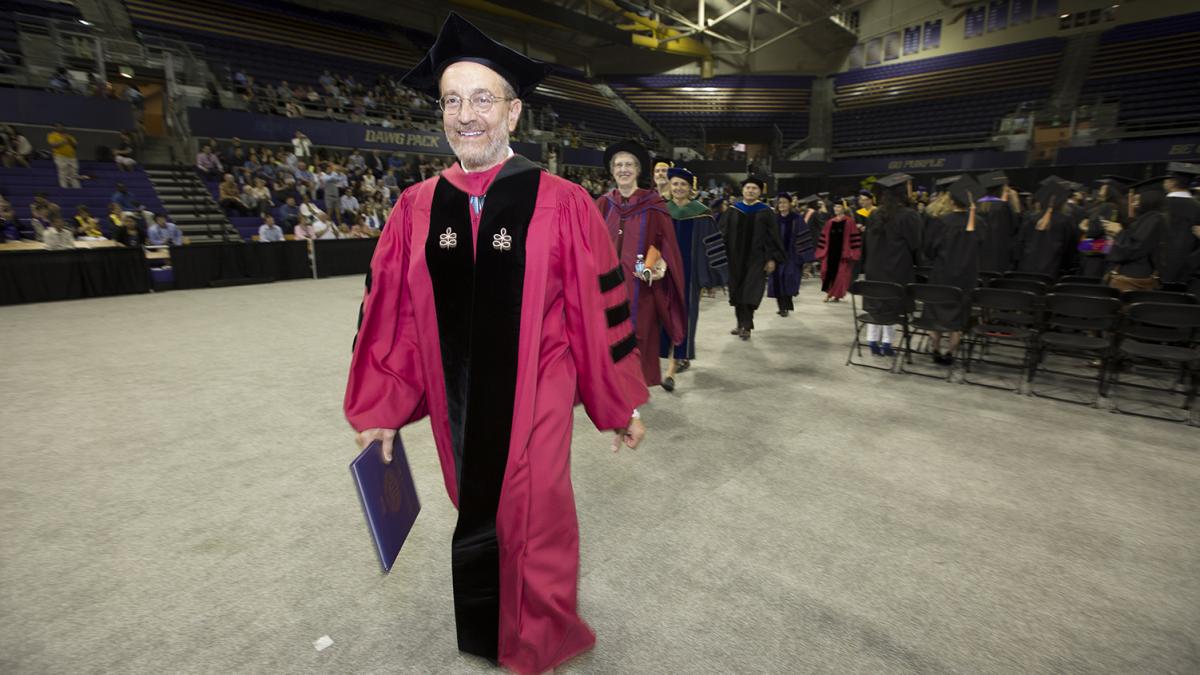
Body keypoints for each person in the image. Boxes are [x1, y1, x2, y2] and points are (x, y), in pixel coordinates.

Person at [344, 14, 648, 674]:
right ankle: (490, 625)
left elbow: (600, 313)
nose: (465, 115)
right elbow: (389, 316)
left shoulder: (563, 202)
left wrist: (618, 403)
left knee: (536, 521)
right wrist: (380, 411)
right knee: (478, 514)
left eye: (482, 98)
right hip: (458, 403)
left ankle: (540, 639)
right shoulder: (415, 208)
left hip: (537, 394)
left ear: (513, 110)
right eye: (452, 99)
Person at [596, 140, 687, 387]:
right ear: (612, 170)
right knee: (607, 338)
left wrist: (660, 264)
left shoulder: (654, 205)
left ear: (637, 170)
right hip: (606, 289)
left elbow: (667, 245)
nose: (623, 169)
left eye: (629, 165)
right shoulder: (604, 204)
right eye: (618, 165)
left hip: (641, 289)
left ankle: (630, 391)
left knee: (638, 338)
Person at [659, 166, 720, 391]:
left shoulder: (701, 212)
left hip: (691, 276)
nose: (678, 188)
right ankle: (669, 359)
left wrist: (711, 278)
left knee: (684, 318)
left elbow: (712, 246)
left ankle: (672, 370)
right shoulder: (662, 210)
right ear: (670, 186)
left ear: (690, 188)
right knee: (664, 316)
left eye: (683, 184)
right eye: (674, 183)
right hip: (664, 274)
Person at [923, 176, 986, 365]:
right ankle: (950, 353)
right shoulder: (980, 223)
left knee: (935, 314)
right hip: (966, 278)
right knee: (957, 319)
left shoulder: (942, 221)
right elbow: (984, 249)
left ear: (951, 201)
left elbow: (929, 250)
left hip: (941, 275)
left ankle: (935, 349)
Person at [717, 176, 785, 339]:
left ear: (760, 192)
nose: (751, 191)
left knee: (750, 291)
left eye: (755, 188)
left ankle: (746, 325)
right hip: (734, 258)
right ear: (743, 190)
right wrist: (720, 256)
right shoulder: (733, 209)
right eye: (748, 188)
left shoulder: (766, 212)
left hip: (757, 258)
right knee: (737, 291)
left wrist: (771, 259)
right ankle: (740, 323)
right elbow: (723, 233)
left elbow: (772, 237)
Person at [862, 174, 922, 357]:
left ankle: (872, 339)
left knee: (877, 303)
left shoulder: (874, 214)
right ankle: (888, 343)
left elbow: (867, 244)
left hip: (874, 269)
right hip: (897, 270)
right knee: (893, 305)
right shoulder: (909, 216)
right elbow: (916, 245)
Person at [1105, 176, 1167, 292]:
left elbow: (1134, 247)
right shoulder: (1146, 218)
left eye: (1137, 200)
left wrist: (1118, 232)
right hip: (1130, 272)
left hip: (1134, 276)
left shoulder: (1154, 219)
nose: (1133, 204)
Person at [1015, 178, 1075, 279]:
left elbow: (1020, 242)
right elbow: (1069, 247)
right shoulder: (1065, 220)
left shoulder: (1030, 218)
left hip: (1026, 267)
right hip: (1052, 269)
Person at [1077, 176, 1131, 279]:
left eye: (1104, 187)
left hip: (1096, 252)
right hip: (1106, 251)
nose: (1101, 188)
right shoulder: (1119, 206)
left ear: (1110, 190)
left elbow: (1095, 230)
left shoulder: (1108, 206)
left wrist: (1084, 227)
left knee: (1089, 282)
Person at [1160, 162, 1200, 288]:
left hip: (1155, 270)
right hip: (1187, 274)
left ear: (1171, 182)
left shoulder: (1158, 205)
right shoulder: (1197, 207)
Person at [816, 200, 862, 303]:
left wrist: (853, 252)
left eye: (839, 207)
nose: (836, 209)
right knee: (825, 272)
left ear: (843, 208)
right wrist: (822, 250)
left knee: (840, 276)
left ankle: (833, 295)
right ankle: (830, 293)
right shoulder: (830, 222)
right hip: (830, 252)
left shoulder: (849, 222)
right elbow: (824, 237)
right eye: (835, 207)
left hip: (843, 254)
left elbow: (854, 238)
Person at [974, 170, 1019, 273]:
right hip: (997, 252)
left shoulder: (975, 206)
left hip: (977, 251)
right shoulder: (1003, 206)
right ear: (1001, 189)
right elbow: (1014, 227)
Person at [767, 193, 803, 317]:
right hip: (776, 256)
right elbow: (768, 238)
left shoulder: (797, 219)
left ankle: (787, 305)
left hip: (792, 256)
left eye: (784, 202)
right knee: (777, 281)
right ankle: (782, 307)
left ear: (789, 204)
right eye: (780, 202)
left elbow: (803, 237)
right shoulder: (774, 219)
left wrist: (802, 256)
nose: (781, 205)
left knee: (789, 280)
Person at [46, 123, 80, 189]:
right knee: (63, 173)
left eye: (61, 126)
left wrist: (69, 140)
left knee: (74, 174)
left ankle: (77, 188)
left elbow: (75, 146)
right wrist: (62, 142)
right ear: (55, 128)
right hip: (60, 156)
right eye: (58, 127)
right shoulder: (52, 135)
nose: (60, 128)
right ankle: (64, 189)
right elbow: (53, 145)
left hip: (72, 157)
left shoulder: (68, 135)